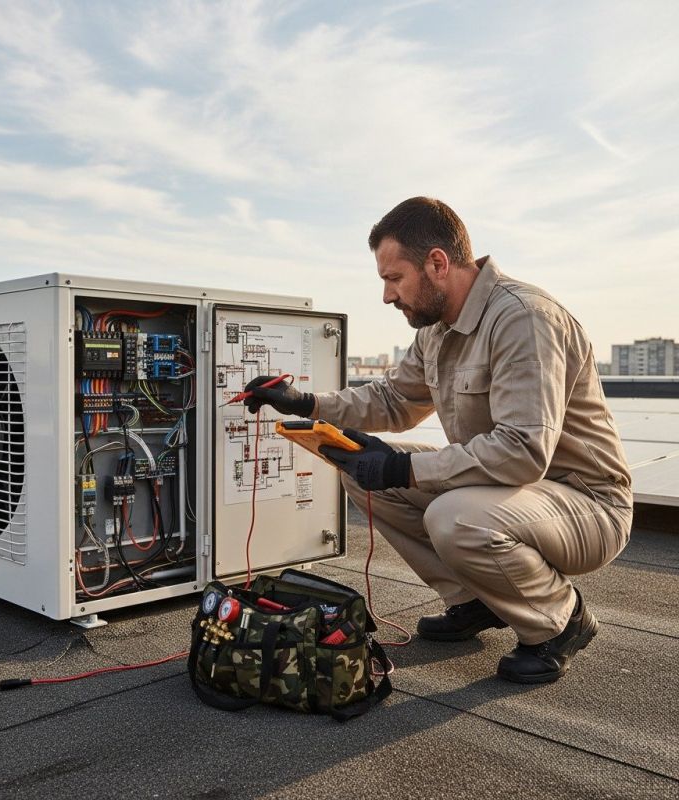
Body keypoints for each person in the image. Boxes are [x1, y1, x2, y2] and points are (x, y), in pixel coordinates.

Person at [244, 197, 633, 684]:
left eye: (393, 278)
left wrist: (403, 469)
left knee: (452, 517)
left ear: (437, 263)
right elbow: (393, 401)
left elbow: (522, 450)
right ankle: (475, 602)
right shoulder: (437, 329)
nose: (387, 295)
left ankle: (560, 620)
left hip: (587, 504)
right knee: (361, 475)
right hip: (509, 491)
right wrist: (305, 404)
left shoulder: (524, 319)